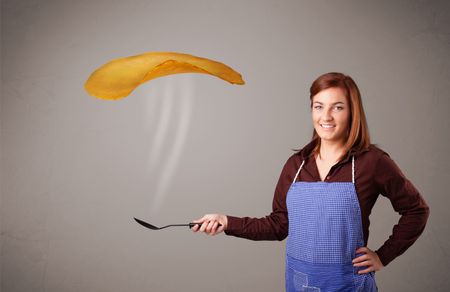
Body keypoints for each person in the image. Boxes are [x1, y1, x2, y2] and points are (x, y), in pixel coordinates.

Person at [191, 72, 429, 292]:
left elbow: (416, 210)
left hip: (348, 284)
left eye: (337, 107)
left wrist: (383, 256)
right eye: (318, 106)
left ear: (353, 112)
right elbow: (278, 225)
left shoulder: (372, 162)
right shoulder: (296, 165)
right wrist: (225, 221)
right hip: (298, 282)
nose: (326, 116)